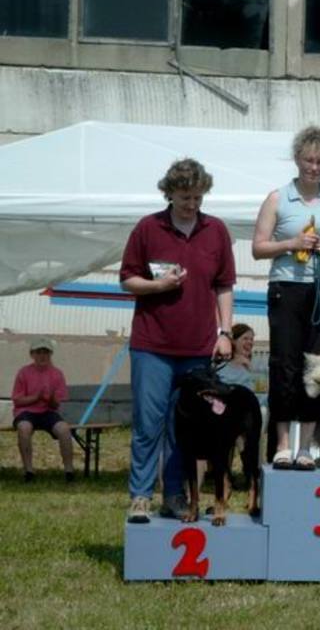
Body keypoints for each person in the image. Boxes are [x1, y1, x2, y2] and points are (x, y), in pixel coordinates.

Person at [121, 158, 235, 523]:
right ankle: (140, 497)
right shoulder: (147, 227)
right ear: (169, 193)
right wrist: (158, 286)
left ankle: (174, 496)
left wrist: (225, 332)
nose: (192, 204)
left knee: (182, 428)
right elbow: (127, 280)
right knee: (148, 424)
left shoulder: (216, 230)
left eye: (198, 197)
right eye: (186, 197)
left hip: (198, 350)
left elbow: (224, 285)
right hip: (151, 345)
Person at [252, 125, 320, 470]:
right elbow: (258, 247)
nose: (314, 167)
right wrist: (291, 244)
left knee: (317, 365)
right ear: (297, 159)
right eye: (309, 160)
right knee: (285, 363)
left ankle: (307, 445)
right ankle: (283, 443)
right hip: (287, 286)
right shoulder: (277, 198)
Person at [11, 337, 75, 483]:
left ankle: (69, 471)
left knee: (64, 429)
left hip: (48, 412)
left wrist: (50, 398)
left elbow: (55, 405)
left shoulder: (57, 374)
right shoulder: (23, 372)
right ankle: (28, 470)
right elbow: (17, 400)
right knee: (24, 427)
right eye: (38, 352)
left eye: (45, 352)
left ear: (50, 354)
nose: (42, 356)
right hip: (26, 412)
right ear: (32, 354)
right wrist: (36, 397)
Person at [217, 323, 257, 392]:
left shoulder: (251, 364)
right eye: (245, 338)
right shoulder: (222, 366)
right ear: (233, 341)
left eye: (251, 339)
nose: (250, 342)